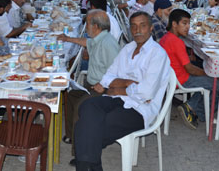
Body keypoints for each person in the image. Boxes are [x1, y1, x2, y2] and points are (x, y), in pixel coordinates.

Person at [73, 12, 171, 171]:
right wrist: (125, 84)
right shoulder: (128, 48)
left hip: (141, 109)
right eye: (134, 26)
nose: (138, 30)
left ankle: (85, 163)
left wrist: (117, 88)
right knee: (87, 106)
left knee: (94, 125)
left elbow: (146, 94)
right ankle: (92, 163)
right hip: (119, 98)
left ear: (151, 28)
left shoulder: (157, 54)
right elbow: (109, 75)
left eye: (143, 25)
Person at [57, 10, 121, 162]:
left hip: (103, 89)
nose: (85, 28)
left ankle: (81, 153)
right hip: (91, 85)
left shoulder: (108, 44)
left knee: (82, 106)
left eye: (87, 25)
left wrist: (104, 86)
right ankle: (73, 136)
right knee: (71, 95)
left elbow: (117, 71)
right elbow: (86, 42)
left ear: (96, 26)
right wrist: (67, 38)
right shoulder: (99, 38)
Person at [160, 9, 216, 129]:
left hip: (170, 76)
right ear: (174, 24)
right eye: (184, 23)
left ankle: (193, 105)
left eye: (188, 24)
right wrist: (207, 74)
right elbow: (190, 69)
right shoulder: (177, 42)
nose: (188, 27)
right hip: (181, 79)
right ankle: (194, 109)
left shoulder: (166, 38)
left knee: (202, 69)